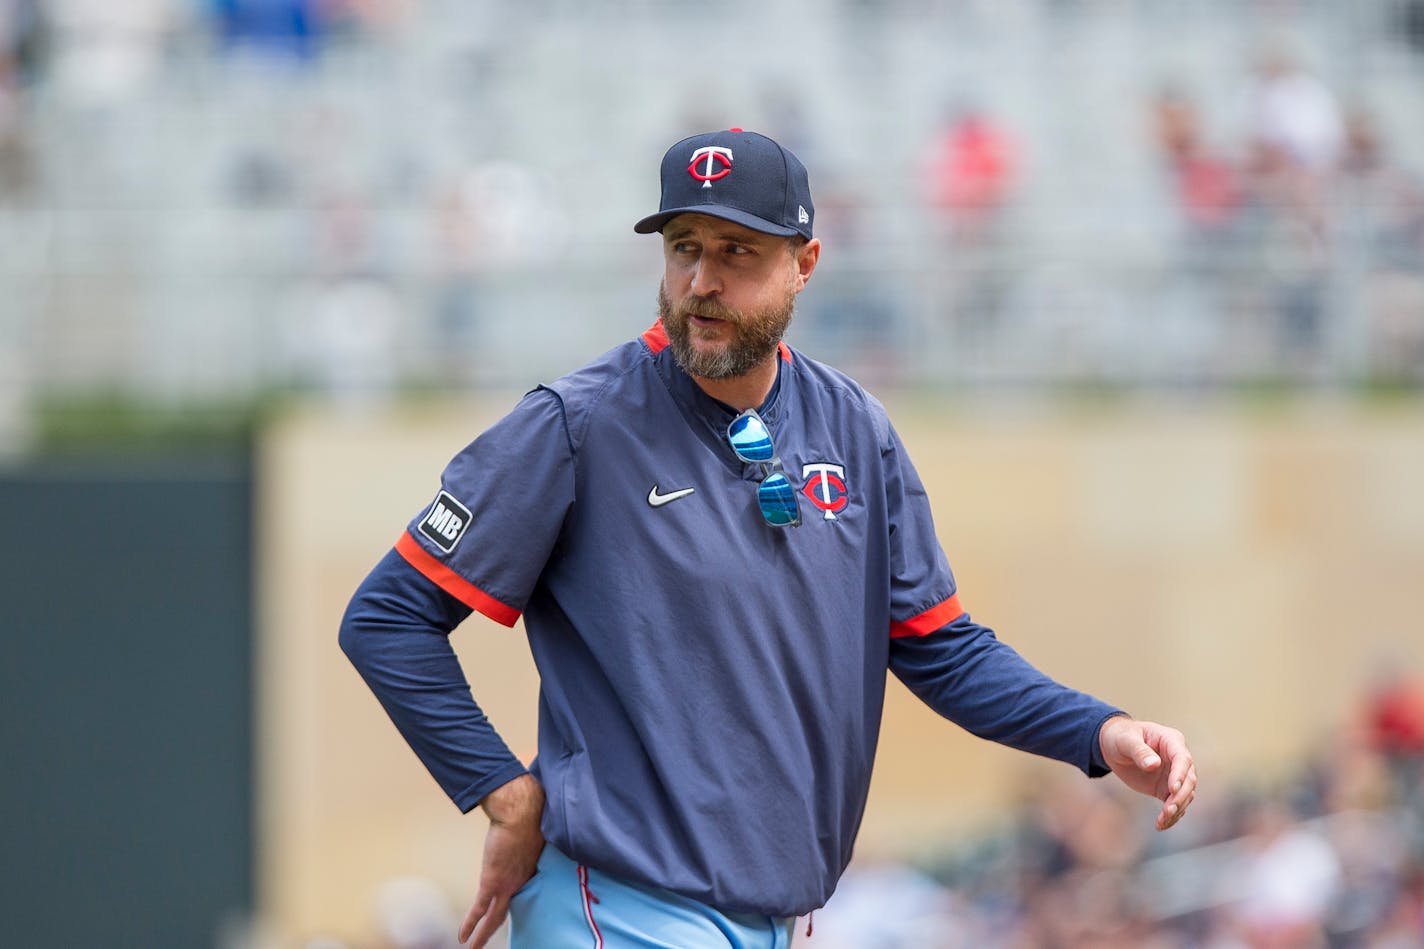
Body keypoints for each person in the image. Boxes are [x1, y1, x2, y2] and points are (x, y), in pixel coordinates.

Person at [340, 128, 1198, 948]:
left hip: (771, 918)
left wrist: (1097, 731)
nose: (701, 280)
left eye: (737, 252)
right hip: (621, 902)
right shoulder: (578, 423)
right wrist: (505, 793)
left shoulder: (853, 426)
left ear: (805, 264)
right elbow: (387, 617)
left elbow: (942, 651)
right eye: (684, 247)